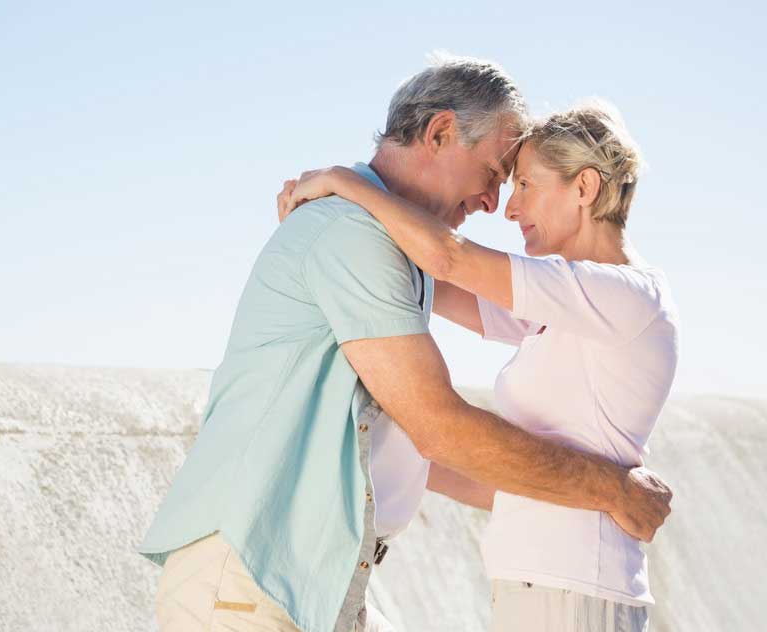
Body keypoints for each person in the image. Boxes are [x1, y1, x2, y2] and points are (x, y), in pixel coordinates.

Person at [140, 54, 672, 632]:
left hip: (305, 583)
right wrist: (609, 488)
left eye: (519, 183)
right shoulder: (353, 234)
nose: (497, 204)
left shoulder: (598, 293)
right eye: (497, 173)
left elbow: (430, 432)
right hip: (253, 581)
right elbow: (438, 421)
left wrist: (345, 186)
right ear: (441, 132)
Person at [277, 99, 678, 631]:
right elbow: (426, 276)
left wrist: (346, 186)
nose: (510, 209)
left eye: (527, 186)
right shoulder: (560, 312)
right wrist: (332, 233)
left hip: (578, 589)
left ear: (584, 188)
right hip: (538, 585)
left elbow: (448, 257)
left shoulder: (625, 296)